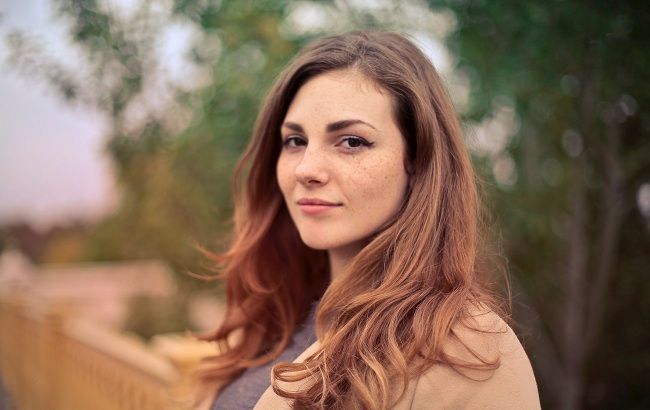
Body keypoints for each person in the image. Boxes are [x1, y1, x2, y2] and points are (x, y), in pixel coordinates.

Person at [198, 30, 540, 409]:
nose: (306, 169)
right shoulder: (276, 322)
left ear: (418, 161)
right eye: (295, 141)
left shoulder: (469, 351)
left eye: (351, 142)